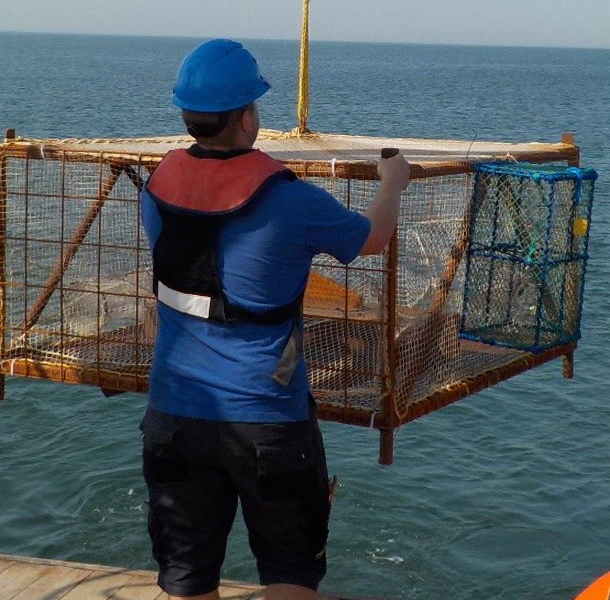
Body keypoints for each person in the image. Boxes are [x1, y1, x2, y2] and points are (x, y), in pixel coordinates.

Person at [138, 38, 410, 600]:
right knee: (289, 576)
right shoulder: (291, 201)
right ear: (246, 117)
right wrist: (393, 183)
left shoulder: (157, 190)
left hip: (174, 416)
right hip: (269, 422)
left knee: (187, 579)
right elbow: (374, 239)